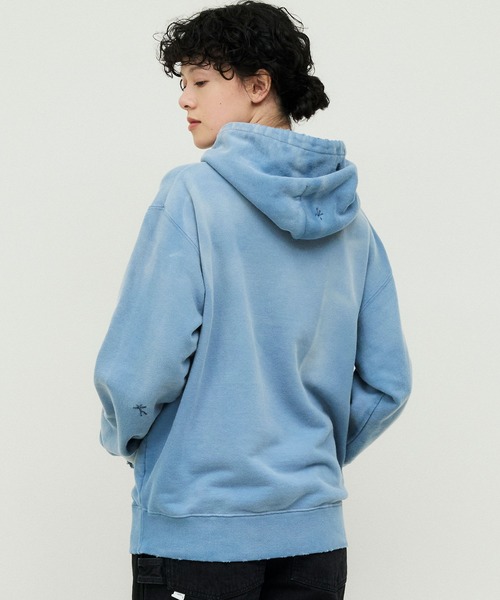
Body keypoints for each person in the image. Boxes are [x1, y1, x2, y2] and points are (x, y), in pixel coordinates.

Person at [95, 1, 412, 598]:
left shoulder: (192, 195)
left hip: (200, 531)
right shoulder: (352, 222)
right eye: (182, 84)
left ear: (258, 86)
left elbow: (140, 368)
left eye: (200, 82)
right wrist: (307, 457)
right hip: (315, 540)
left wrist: (126, 438)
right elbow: (388, 383)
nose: (183, 99)